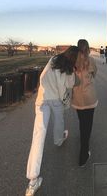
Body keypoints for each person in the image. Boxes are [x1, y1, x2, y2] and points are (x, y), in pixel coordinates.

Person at [25, 46, 79, 196]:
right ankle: (59, 139)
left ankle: (32, 179)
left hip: (42, 99)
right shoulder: (69, 69)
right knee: (59, 122)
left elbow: (43, 77)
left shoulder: (53, 59)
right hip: (56, 100)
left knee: (38, 136)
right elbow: (69, 85)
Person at [71, 39, 98, 167]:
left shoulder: (73, 61)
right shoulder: (91, 60)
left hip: (77, 97)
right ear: (87, 48)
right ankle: (84, 152)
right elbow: (95, 73)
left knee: (82, 122)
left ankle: (84, 140)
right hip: (89, 96)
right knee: (88, 123)